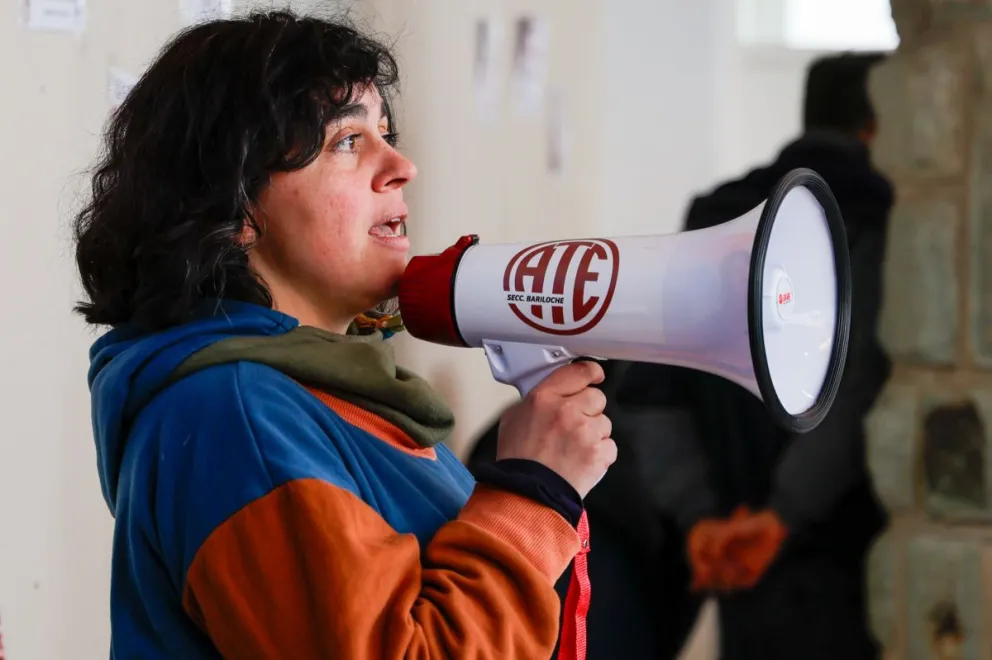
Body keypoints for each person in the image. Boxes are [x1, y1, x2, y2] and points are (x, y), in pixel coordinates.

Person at [72, 11, 616, 659]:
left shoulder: (325, 400)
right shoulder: (238, 417)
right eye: (347, 142)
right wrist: (534, 490)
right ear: (235, 205)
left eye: (385, 132)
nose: (403, 166)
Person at [668, 51, 894, 659]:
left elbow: (658, 391)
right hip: (829, 554)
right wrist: (781, 515)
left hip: (731, 551)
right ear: (875, 123)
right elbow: (856, 387)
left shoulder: (717, 212)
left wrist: (703, 521)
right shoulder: (874, 218)